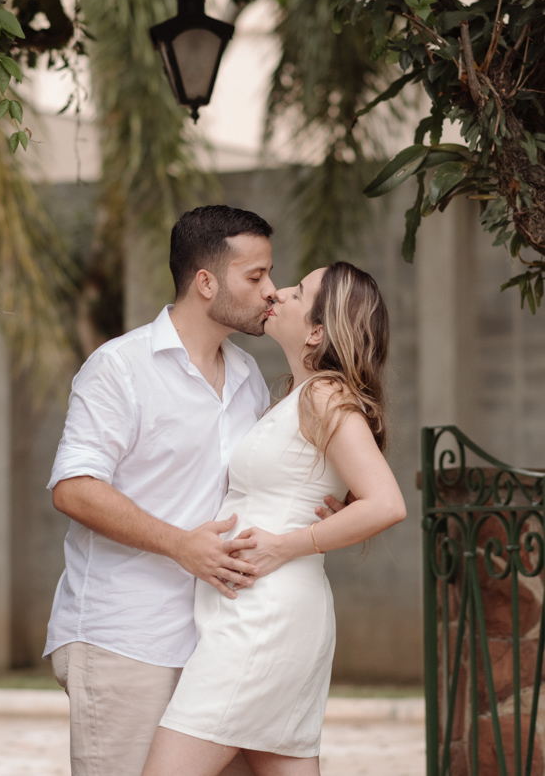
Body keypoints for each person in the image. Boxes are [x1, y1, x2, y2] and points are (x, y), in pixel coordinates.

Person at [142, 261, 407, 776]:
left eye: (298, 292)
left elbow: (386, 503)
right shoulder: (299, 396)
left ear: (316, 331)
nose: (278, 293)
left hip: (263, 620)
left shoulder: (324, 395)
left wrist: (286, 544)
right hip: (259, 612)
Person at [43, 205, 279, 776]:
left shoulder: (248, 376)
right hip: (126, 637)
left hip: (217, 641)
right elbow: (74, 488)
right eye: (255, 276)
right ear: (206, 282)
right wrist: (181, 545)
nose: (271, 290)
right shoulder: (119, 368)